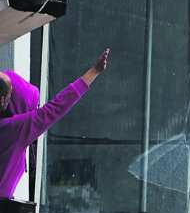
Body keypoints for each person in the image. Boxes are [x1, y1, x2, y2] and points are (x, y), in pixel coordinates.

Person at [0, 50, 110, 200]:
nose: (36, 108)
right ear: (3, 100)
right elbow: (54, 109)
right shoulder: (13, 130)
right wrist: (94, 71)